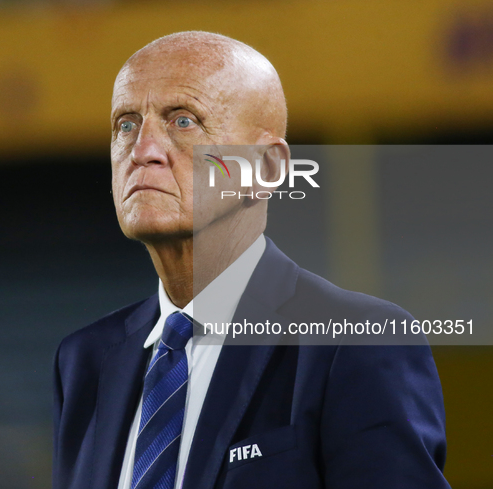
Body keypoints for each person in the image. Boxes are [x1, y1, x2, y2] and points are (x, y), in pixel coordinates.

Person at [52, 31, 450, 489]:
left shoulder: (357, 344)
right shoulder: (84, 360)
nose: (142, 151)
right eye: (125, 124)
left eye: (183, 121)